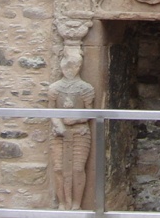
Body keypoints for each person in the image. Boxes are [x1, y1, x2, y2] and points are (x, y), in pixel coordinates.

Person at [50, 45, 95, 209]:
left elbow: (90, 112)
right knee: (59, 168)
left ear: (79, 66)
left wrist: (75, 120)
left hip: (80, 132)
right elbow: (51, 111)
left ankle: (76, 204)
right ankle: (62, 202)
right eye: (67, 65)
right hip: (59, 133)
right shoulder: (54, 88)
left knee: (77, 169)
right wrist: (58, 124)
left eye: (74, 66)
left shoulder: (86, 89)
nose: (70, 69)